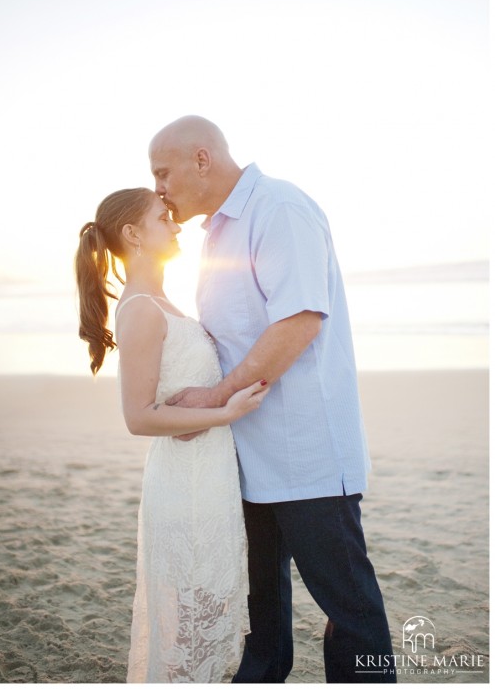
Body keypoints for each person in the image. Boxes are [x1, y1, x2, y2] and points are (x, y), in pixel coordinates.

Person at [148, 115, 396, 684]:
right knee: (261, 619)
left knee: (349, 610)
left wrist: (212, 396)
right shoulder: (214, 235)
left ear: (202, 159)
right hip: (247, 458)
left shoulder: (278, 208)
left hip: (306, 455)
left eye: (163, 171)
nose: (158, 187)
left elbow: (298, 322)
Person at [74, 187, 269, 683]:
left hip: (208, 479)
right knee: (189, 623)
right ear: (133, 234)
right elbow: (138, 417)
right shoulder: (140, 308)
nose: (176, 224)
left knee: (206, 613)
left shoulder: (164, 300)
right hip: (183, 486)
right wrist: (225, 413)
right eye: (164, 218)